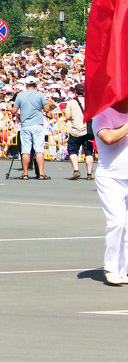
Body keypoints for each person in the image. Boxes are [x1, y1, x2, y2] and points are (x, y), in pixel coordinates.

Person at [93, 97, 128, 286]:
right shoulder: (103, 114)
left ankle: (125, 270)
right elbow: (108, 138)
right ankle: (112, 268)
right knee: (117, 222)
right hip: (111, 178)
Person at [13, 76, 56, 179]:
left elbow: (14, 110)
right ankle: (41, 173)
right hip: (37, 124)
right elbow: (46, 109)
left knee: (26, 150)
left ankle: (25, 173)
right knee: (39, 149)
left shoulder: (20, 95)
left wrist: (9, 106)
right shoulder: (40, 95)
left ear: (26, 85)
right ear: (35, 84)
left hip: (26, 124)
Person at [64, 84, 95, 180]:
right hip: (87, 130)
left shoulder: (71, 103)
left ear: (75, 92)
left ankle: (76, 170)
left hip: (75, 130)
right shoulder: (89, 102)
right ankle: (89, 173)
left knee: (73, 151)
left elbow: (67, 117)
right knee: (89, 152)